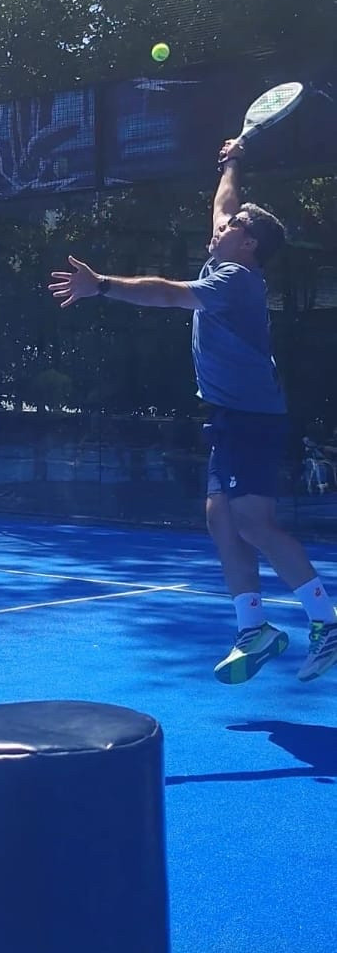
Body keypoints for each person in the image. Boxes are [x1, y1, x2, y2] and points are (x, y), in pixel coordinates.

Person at [48, 138, 337, 684]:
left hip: (251, 417)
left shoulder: (234, 280)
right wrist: (231, 161)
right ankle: (254, 628)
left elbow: (165, 294)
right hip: (231, 416)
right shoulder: (228, 253)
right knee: (220, 517)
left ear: (249, 243)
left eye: (232, 228)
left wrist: (101, 285)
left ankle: (326, 619)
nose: (220, 228)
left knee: (253, 521)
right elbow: (224, 205)